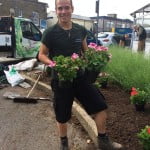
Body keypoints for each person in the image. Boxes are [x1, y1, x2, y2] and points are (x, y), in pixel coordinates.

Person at [38, 0, 123, 149]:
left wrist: (98, 59)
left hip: (81, 78)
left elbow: (86, 52)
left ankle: (103, 141)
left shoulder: (80, 30)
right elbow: (42, 54)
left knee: (100, 107)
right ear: (56, 10)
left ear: (72, 8)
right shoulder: (50, 33)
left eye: (66, 8)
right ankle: (64, 144)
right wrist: (54, 65)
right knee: (62, 115)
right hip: (61, 79)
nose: (63, 11)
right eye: (60, 8)